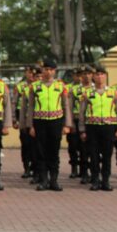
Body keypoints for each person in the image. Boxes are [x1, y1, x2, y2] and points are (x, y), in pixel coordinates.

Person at [27, 59, 72, 191]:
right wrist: (31, 126)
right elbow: (31, 108)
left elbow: (66, 106)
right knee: (41, 151)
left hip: (56, 121)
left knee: (54, 151)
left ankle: (54, 180)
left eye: (51, 70)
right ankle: (43, 180)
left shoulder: (60, 86)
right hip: (39, 122)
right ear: (42, 70)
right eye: (46, 69)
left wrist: (66, 124)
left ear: (55, 71)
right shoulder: (34, 87)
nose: (48, 72)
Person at [78, 66, 117, 191]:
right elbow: (82, 113)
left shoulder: (113, 92)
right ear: (93, 76)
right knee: (93, 155)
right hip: (92, 127)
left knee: (107, 155)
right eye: (97, 74)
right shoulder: (87, 93)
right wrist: (82, 129)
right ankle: (95, 180)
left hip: (109, 127)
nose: (99, 77)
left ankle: (106, 181)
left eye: (102, 74)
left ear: (106, 76)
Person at [12, 65, 39, 180]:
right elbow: (14, 103)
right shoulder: (20, 87)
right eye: (29, 73)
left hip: (36, 118)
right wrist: (15, 119)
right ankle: (27, 168)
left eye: (34, 74)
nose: (31, 75)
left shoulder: (37, 87)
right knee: (26, 145)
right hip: (23, 117)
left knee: (36, 146)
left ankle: (36, 168)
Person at [68, 65, 93, 183]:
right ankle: (78, 170)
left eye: (89, 73)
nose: (86, 76)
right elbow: (69, 107)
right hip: (77, 120)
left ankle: (92, 172)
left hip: (92, 121)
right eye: (84, 74)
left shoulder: (96, 89)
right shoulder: (74, 90)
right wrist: (70, 123)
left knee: (90, 148)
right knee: (75, 146)